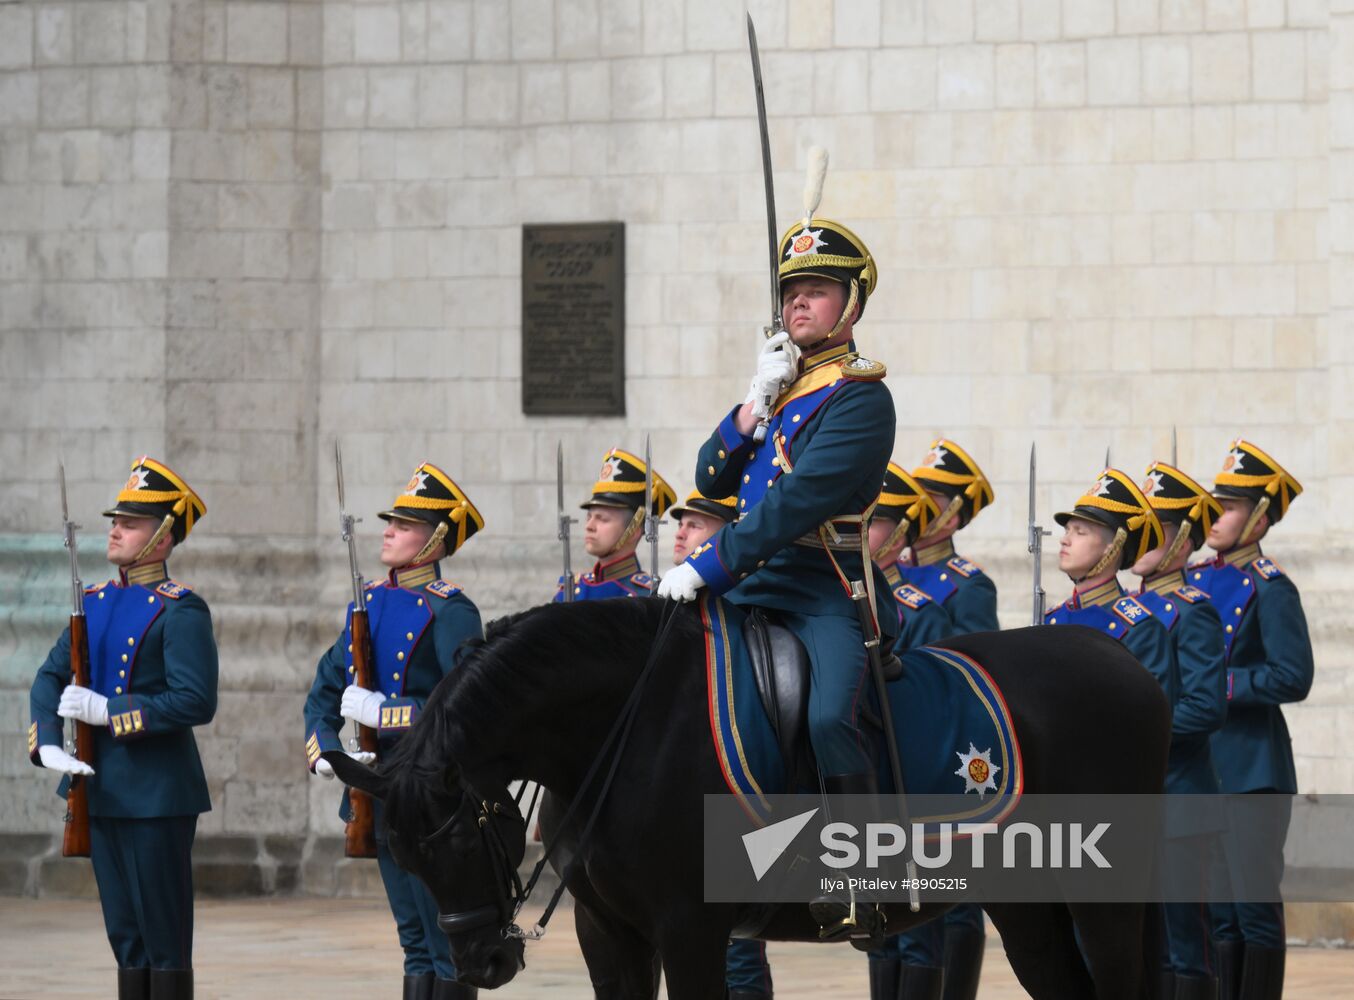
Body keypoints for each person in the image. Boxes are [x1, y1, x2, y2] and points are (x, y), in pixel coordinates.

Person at [659, 211, 897, 944]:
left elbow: (800, 502)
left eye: (818, 290)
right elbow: (709, 476)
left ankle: (864, 879)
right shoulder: (784, 389)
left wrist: (706, 563)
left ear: (852, 305)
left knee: (829, 716)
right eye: (791, 290)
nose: (799, 302)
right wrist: (752, 405)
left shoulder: (861, 398)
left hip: (823, 586)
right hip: (751, 585)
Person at [29, 456, 216, 1000]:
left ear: (161, 539)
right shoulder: (94, 603)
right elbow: (48, 678)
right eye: (117, 519)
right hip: (100, 788)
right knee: (125, 939)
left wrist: (108, 711)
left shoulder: (180, 611)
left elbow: (194, 700)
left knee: (164, 942)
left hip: (156, 794)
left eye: (130, 523)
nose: (115, 529)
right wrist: (48, 744)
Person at [304, 463, 485, 1000]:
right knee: (413, 941)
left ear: (433, 542)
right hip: (378, 791)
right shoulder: (370, 605)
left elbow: (467, 704)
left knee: (446, 943)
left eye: (404, 525)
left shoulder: (452, 610)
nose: (388, 531)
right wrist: (330, 752)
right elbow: (323, 691)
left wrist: (390, 713)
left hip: (432, 798)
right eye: (392, 521)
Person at [1189, 441, 1311, 1000]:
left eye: (1230, 507)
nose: (1216, 516)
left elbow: (1292, 675)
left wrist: (1224, 686)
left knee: (1252, 908)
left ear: (1260, 518)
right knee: (1215, 911)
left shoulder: (1271, 588)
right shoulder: (1194, 581)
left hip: (1252, 768)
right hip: (1205, 766)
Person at [896, 439, 997, 1000]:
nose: (914, 506)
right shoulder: (895, 577)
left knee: (955, 903)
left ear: (954, 513)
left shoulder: (967, 585)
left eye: (929, 499)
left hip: (956, 755)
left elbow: (976, 673)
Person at [669, 488, 774, 1000]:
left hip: (734, 791)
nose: (681, 533)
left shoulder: (745, 604)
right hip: (675, 798)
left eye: (696, 524)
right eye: (680, 524)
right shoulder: (668, 605)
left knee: (738, 953)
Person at [1133, 462, 1229, 1000]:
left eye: (1160, 528)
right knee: (1142, 945)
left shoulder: (1193, 611)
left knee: (1182, 944)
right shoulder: (1124, 610)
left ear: (1185, 542)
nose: (1146, 539)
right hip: (1135, 799)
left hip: (1179, 796)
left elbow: (1203, 706)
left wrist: (1138, 737)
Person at [865, 463, 949, 999]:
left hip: (914, 782)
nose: (860, 533)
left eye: (873, 523)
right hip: (872, 779)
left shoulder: (920, 610)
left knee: (917, 931)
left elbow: (933, 701)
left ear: (899, 534)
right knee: (878, 934)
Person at [554, 447, 675, 601]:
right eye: (589, 517)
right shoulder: (571, 592)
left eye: (602, 519)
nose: (589, 526)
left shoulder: (645, 597)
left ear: (634, 531)